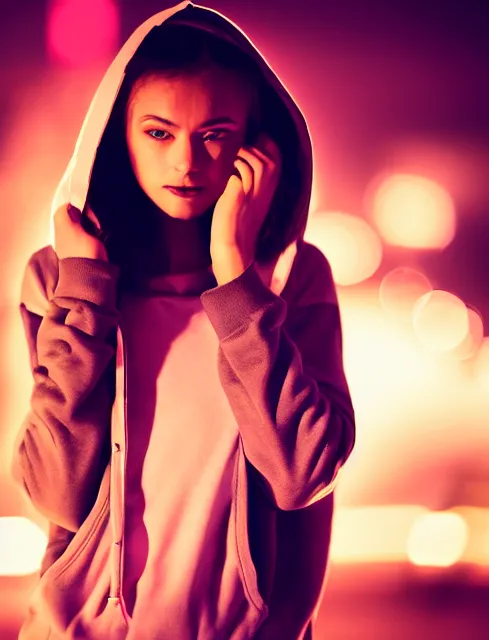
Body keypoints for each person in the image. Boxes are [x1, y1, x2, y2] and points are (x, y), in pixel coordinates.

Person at [12, 2, 356, 639]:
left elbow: (304, 475)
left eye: (215, 134)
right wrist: (85, 292)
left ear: (257, 145)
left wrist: (237, 276)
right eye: (159, 133)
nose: (187, 163)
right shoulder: (60, 278)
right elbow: (52, 492)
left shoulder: (294, 278)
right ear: (120, 134)